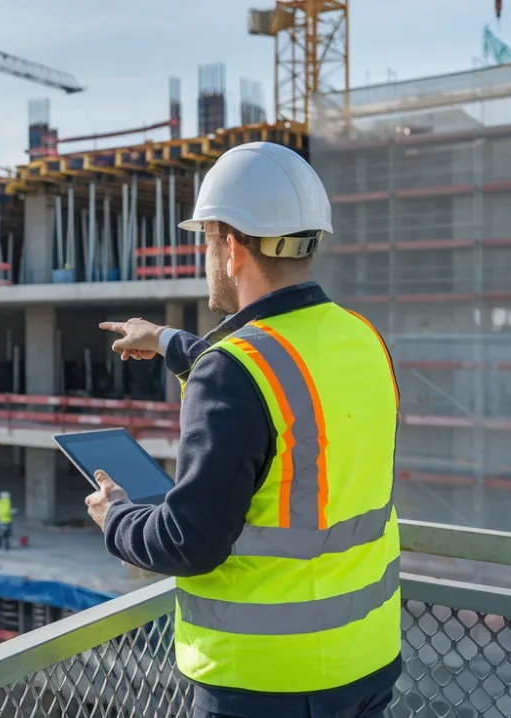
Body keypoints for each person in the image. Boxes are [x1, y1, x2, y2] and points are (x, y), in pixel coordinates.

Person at [89, 142, 402, 718]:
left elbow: (188, 541)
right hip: (366, 662)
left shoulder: (233, 371)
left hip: (266, 683)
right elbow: (279, 384)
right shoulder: (362, 338)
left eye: (207, 240)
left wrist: (116, 517)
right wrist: (166, 341)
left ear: (231, 248)